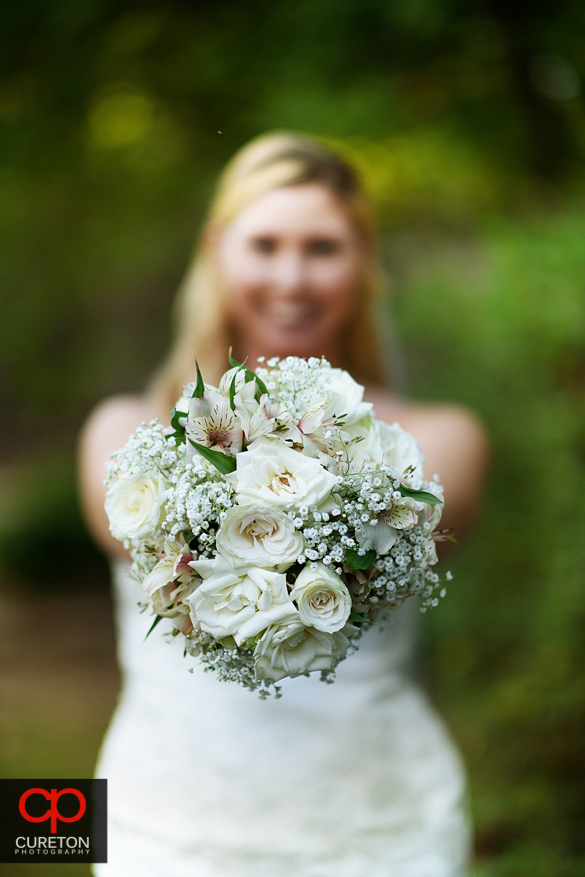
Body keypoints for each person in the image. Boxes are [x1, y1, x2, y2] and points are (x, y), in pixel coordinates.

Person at [79, 132, 487, 877]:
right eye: (263, 244)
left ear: (365, 261)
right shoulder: (119, 433)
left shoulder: (441, 440)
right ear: (215, 250)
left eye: (323, 248)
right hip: (163, 827)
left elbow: (398, 551)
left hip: (378, 830)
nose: (291, 278)